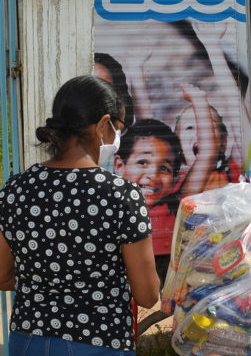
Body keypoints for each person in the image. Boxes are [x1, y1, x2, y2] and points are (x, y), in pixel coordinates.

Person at [0, 75, 160, 355]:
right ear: (102, 125)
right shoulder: (121, 196)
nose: (117, 136)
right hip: (100, 343)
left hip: (28, 341)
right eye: (117, 127)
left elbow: (1, 276)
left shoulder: (15, 189)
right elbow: (147, 295)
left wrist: (47, 283)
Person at [114, 118, 183, 281]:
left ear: (174, 179)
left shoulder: (177, 214)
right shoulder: (111, 212)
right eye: (143, 162)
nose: (153, 174)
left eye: (164, 168)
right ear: (119, 166)